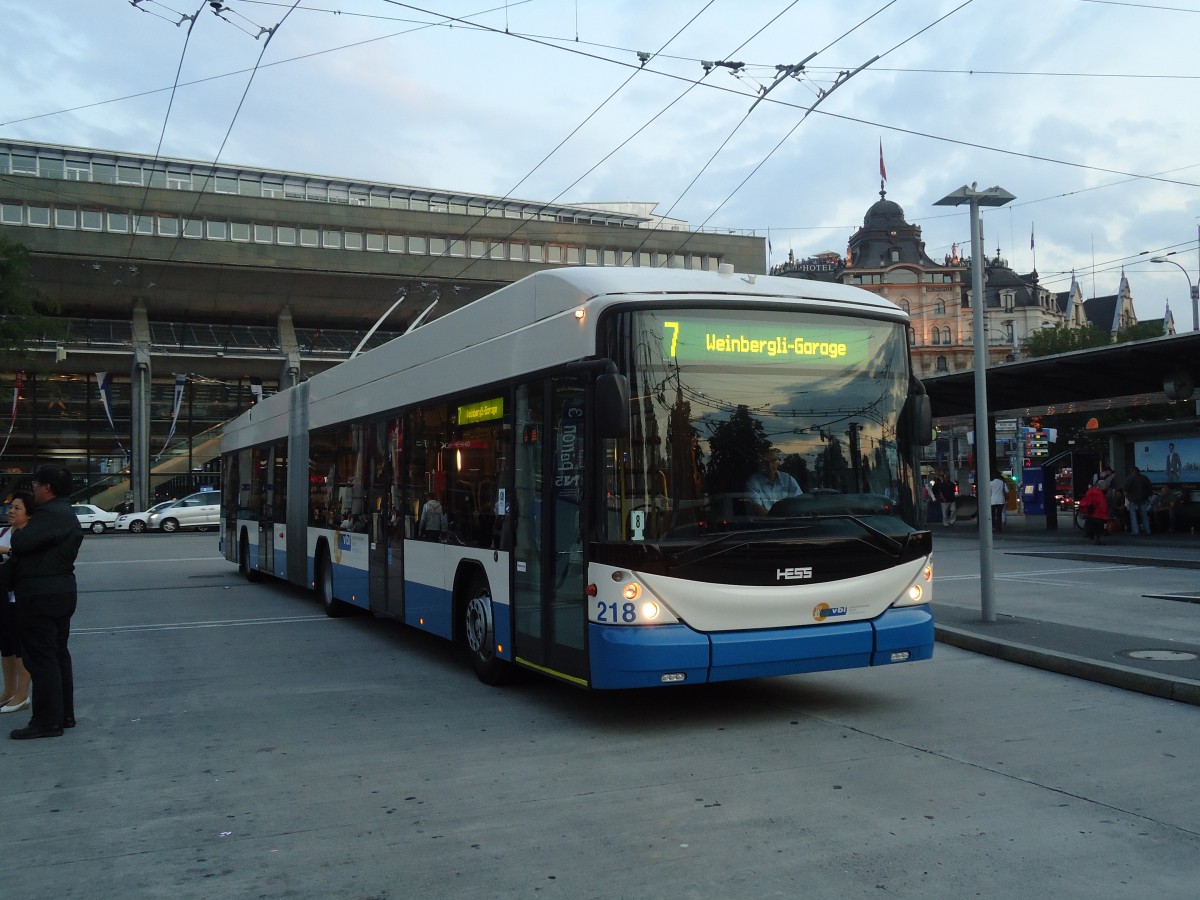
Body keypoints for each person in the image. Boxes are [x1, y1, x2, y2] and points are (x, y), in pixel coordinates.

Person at [8, 465, 83, 740]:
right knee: (58, 653)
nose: (34, 490)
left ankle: (46, 720)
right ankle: (64, 714)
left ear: (46, 488)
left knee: (41, 657)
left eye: (36, 485)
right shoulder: (67, 513)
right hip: (61, 591)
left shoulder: (49, 514)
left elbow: (23, 542)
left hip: (40, 594)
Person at [0, 490, 35, 714]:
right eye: (10, 507)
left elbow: (29, 560)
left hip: (22, 598)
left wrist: (8, 550)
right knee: (6, 646)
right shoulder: (4, 531)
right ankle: (9, 690)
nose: (11, 511)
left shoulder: (32, 535)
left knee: (22, 647)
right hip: (2, 596)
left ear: (29, 515)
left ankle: (23, 694)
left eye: (17, 508)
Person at [746, 447, 802, 515]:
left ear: (778, 462)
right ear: (760, 463)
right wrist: (777, 521)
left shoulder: (788, 479)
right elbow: (756, 507)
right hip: (763, 523)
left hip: (789, 522)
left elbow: (799, 501)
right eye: (765, 462)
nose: (769, 466)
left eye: (773, 461)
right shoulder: (753, 481)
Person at [1122, 466, 1153, 536]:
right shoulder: (1144, 478)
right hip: (1143, 498)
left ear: (1132, 471)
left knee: (1133, 515)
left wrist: (1127, 497)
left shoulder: (1129, 478)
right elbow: (1149, 488)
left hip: (1132, 499)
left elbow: (1126, 490)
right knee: (1144, 515)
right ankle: (1147, 530)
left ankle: (1135, 531)